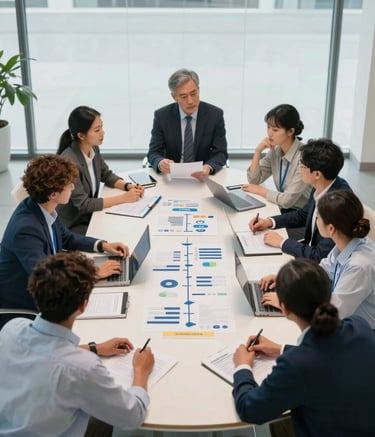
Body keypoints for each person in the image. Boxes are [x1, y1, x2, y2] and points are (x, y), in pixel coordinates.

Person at [0, 251, 155, 436]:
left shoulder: (11, 329)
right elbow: (133, 415)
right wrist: (141, 371)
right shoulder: (83, 369)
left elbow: (46, 351)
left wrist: (94, 348)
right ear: (83, 305)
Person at [232, 258, 375, 437]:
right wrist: (281, 349)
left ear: (284, 308)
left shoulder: (296, 366)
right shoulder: (359, 326)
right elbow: (330, 356)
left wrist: (242, 367)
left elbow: (250, 409)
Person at [0, 154, 130, 329]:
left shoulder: (43, 209)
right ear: (54, 194)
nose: (73, 187)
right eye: (69, 184)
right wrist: (93, 274)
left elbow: (67, 237)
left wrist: (102, 245)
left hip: (47, 291)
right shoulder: (26, 229)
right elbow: (46, 279)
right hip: (24, 307)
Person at [261, 190, 375, 329]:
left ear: (331, 228)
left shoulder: (359, 266)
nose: (316, 220)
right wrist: (289, 280)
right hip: (344, 320)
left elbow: (335, 312)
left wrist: (288, 304)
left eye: (318, 217)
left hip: (359, 333)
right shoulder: (345, 242)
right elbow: (321, 272)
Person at [249, 138, 351, 262]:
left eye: (301, 165)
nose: (298, 169)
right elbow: (303, 215)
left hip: (323, 268)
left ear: (317, 174)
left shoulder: (338, 206)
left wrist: (282, 242)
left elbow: (319, 256)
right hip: (310, 250)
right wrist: (269, 222)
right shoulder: (321, 184)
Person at [57, 106, 144, 234]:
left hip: (89, 216)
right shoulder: (69, 162)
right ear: (81, 135)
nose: (103, 133)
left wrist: (128, 186)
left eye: (101, 127)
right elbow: (84, 204)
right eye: (97, 130)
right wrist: (124, 198)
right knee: (117, 234)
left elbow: (105, 174)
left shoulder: (92, 147)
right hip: (73, 225)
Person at [147, 68, 228, 180]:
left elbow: (220, 153)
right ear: (174, 97)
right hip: (171, 178)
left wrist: (208, 167)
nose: (190, 101)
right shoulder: (162, 116)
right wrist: (160, 162)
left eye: (194, 93)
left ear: (198, 90)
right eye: (184, 96)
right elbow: (153, 153)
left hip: (203, 177)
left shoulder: (215, 115)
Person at [242, 104, 311, 212]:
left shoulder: (304, 158)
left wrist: (261, 191)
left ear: (290, 131)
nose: (269, 134)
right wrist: (258, 151)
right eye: (268, 127)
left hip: (302, 216)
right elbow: (253, 180)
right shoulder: (275, 151)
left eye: (275, 129)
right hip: (284, 209)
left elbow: (287, 201)